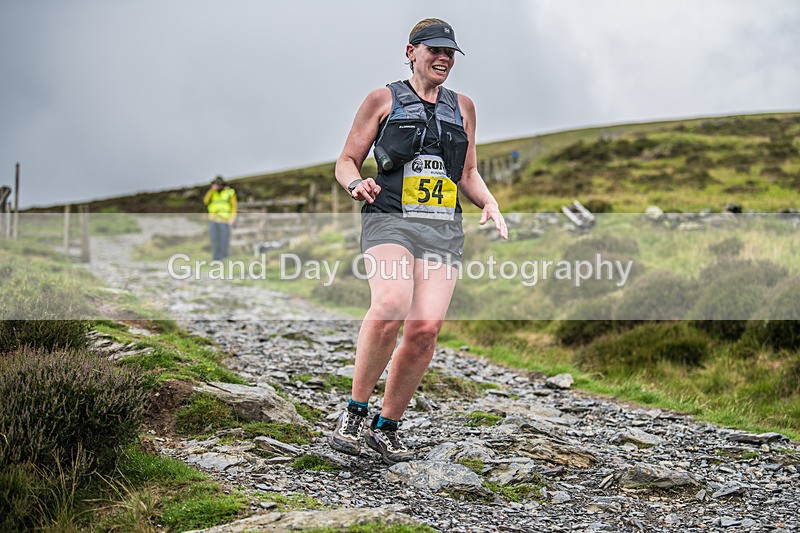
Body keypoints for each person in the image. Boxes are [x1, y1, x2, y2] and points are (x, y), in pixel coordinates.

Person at [328, 18, 508, 464]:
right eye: (435, 50)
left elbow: (466, 172)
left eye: (450, 53)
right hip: (388, 217)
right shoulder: (382, 99)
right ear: (412, 51)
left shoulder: (463, 106)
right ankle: (354, 412)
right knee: (391, 303)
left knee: (425, 329)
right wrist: (356, 185)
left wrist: (489, 202)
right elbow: (347, 160)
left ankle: (387, 427)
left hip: (442, 226)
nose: (443, 58)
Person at [203, 175, 237, 261]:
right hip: (213, 219)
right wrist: (211, 190)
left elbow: (233, 207)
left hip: (224, 220)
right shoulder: (212, 192)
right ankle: (215, 259)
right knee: (214, 240)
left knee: (224, 240)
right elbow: (205, 201)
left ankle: (224, 258)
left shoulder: (230, 192)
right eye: (215, 184)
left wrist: (232, 218)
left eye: (218, 184)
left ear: (222, 184)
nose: (216, 185)